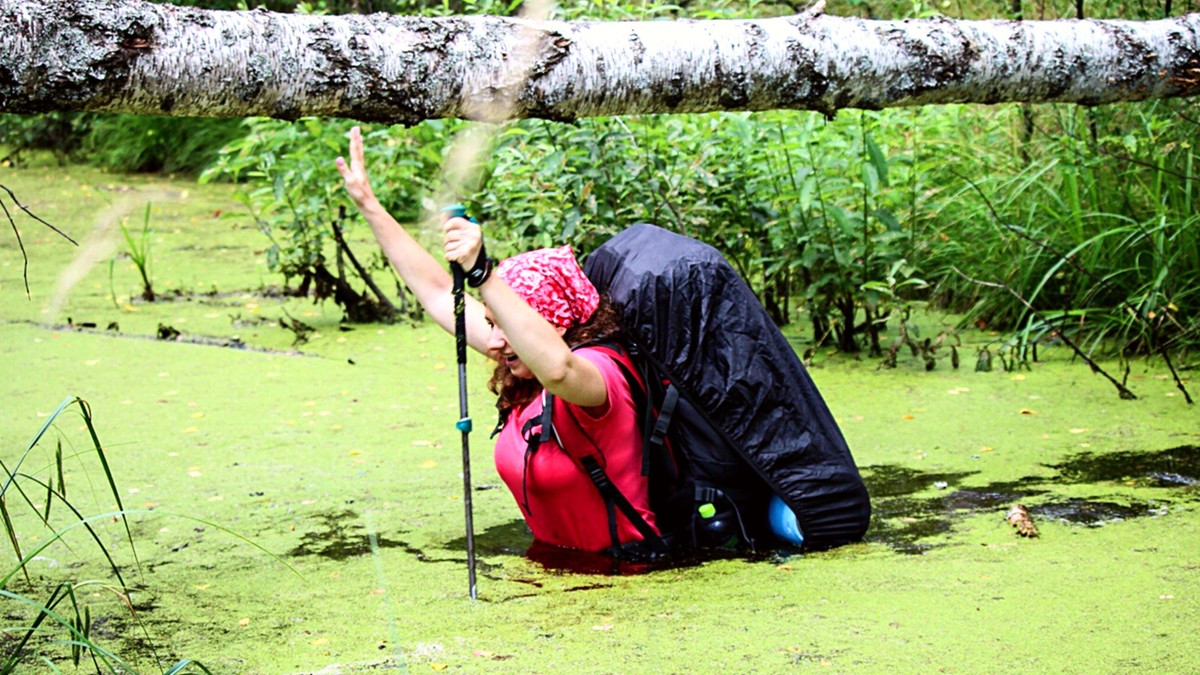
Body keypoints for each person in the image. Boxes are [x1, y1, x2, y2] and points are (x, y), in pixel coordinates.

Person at [336, 127, 657, 554]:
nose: (493, 342)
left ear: (556, 323)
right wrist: (370, 206)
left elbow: (559, 370)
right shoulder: (521, 369)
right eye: (491, 323)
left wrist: (483, 271)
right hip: (552, 578)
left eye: (505, 324)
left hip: (628, 583)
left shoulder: (600, 377)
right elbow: (436, 292)